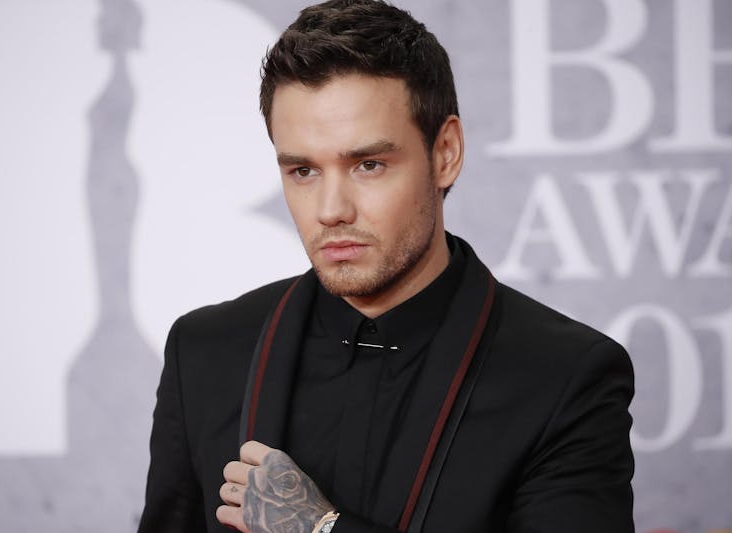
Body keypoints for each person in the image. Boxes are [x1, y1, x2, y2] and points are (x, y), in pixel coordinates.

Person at [137, 1, 635, 532]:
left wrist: (319, 527)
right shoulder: (205, 353)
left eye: (368, 165)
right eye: (303, 170)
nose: (331, 210)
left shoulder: (563, 376)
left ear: (445, 153)